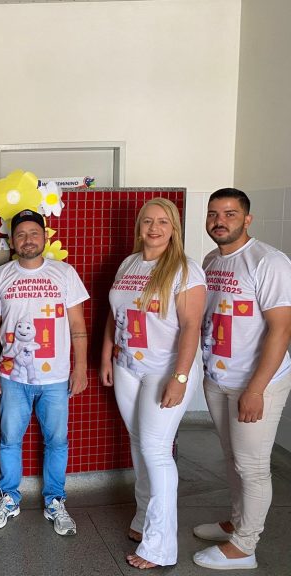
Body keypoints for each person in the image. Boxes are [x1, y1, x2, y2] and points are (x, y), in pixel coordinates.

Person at [99, 198, 206, 569]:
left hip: (166, 369)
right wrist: (107, 356)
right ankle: (144, 515)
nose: (154, 228)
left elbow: (191, 327)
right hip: (128, 367)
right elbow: (116, 314)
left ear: (174, 228)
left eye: (163, 221)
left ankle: (160, 547)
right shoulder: (130, 263)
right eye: (148, 221)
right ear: (139, 226)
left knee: (156, 449)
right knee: (138, 441)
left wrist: (180, 377)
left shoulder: (185, 269)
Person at [192, 188, 291, 571]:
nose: (220, 221)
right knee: (233, 458)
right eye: (213, 214)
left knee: (252, 466)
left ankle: (245, 547)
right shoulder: (212, 260)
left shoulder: (268, 262)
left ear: (247, 219)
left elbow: (281, 330)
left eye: (230, 214)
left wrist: (256, 390)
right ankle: (237, 522)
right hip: (219, 378)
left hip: (257, 383)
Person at [0, 209, 89, 536]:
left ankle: (55, 501)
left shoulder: (65, 273)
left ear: (44, 237)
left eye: (34, 233)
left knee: (57, 441)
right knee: (9, 440)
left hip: (56, 378)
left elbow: (77, 324)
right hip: (12, 377)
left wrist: (80, 367)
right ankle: (9, 498)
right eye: (21, 234)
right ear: (12, 241)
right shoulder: (0, 276)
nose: (27, 239)